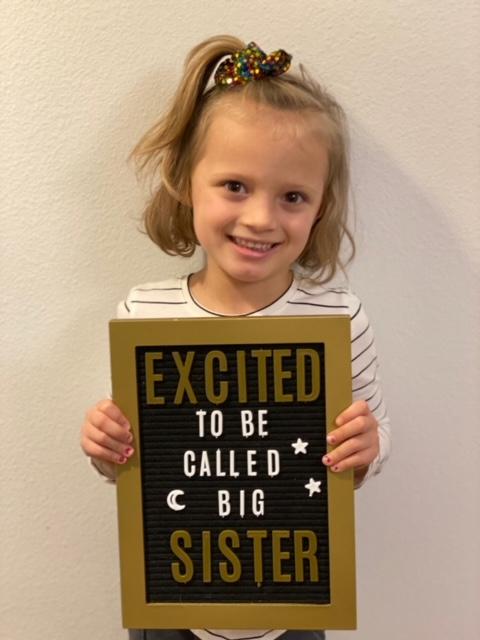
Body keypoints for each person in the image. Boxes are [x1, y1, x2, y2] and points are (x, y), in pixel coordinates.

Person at [81, 35, 391, 640]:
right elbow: (136, 465)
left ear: (320, 208)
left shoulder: (338, 318)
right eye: (235, 186)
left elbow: (369, 447)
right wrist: (105, 444)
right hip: (173, 604)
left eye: (292, 196)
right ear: (184, 182)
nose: (260, 218)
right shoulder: (145, 315)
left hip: (295, 606)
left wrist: (368, 448)